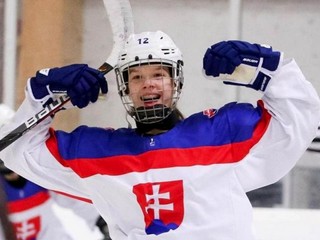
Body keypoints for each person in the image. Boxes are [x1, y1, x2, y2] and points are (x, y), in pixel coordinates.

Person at [0, 30, 319, 239]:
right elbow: (16, 151)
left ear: (175, 81)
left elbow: (298, 119)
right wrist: (45, 92)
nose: (148, 83)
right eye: (137, 76)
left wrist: (264, 66)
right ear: (124, 87)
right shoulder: (95, 152)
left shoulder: (222, 132)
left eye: (158, 74)